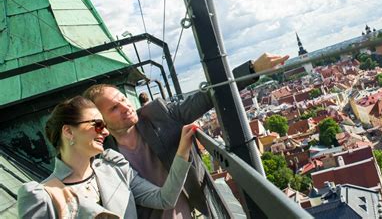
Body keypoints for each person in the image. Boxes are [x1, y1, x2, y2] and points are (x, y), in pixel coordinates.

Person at [83, 53, 289, 218]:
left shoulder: (157, 114)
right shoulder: (102, 156)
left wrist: (250, 70)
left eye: (123, 99)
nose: (125, 107)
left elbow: (206, 97)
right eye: (114, 108)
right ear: (101, 120)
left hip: (192, 208)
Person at [17, 96, 196, 218]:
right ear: (68, 131)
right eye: (97, 124)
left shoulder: (115, 168)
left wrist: (182, 152)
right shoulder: (41, 195)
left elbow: (165, 198)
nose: (105, 131)